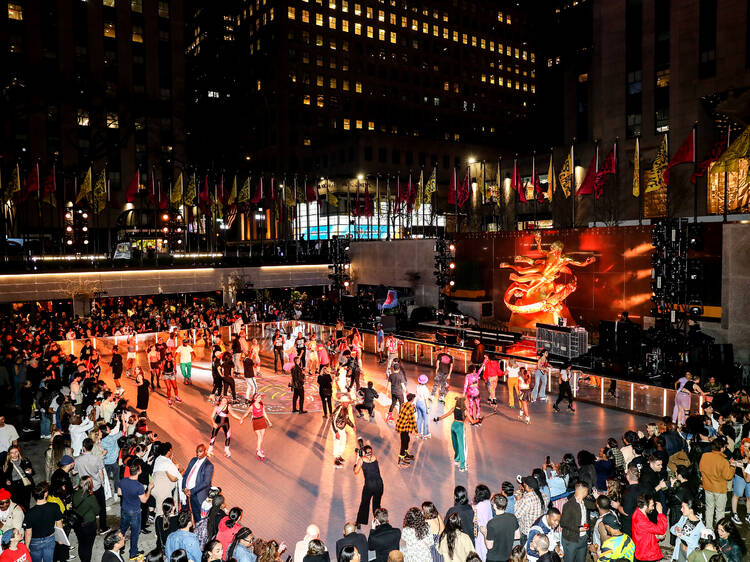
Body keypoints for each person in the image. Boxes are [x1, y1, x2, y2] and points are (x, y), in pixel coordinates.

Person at [118, 458, 154, 560]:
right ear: (139, 471)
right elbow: (144, 500)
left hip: (124, 509)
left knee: (123, 529)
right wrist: (149, 489)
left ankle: (118, 548)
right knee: (134, 533)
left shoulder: (123, 481)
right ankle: (133, 553)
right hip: (135, 512)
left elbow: (120, 493)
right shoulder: (139, 486)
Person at [74, 438, 108, 535]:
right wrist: (102, 482)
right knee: (102, 508)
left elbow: (74, 471)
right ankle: (102, 527)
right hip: (96, 486)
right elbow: (100, 472)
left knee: (85, 506)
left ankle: (86, 526)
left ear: (83, 448)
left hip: (84, 487)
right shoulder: (97, 459)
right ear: (92, 447)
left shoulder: (78, 460)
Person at [434, 397, 476, 472]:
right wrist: (478, 420)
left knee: (455, 444)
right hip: (460, 427)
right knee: (462, 446)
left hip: (453, 426)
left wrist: (438, 418)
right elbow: (472, 421)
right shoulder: (465, 411)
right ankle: (462, 466)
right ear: (463, 403)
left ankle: (456, 460)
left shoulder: (454, 408)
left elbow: (446, 415)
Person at [698, 438, 733, 529]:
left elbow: (701, 469)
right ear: (721, 448)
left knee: (709, 509)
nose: (725, 449)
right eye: (725, 447)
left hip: (707, 487)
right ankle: (719, 530)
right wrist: (732, 466)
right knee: (720, 511)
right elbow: (728, 476)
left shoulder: (704, 456)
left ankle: (709, 528)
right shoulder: (723, 461)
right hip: (719, 489)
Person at [23, 482, 62, 562]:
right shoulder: (54, 507)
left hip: (35, 542)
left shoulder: (30, 513)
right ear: (46, 494)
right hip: (50, 539)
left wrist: (26, 546)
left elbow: (28, 532)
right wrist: (60, 539)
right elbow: (59, 525)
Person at [481, 494, 519, 562]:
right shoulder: (513, 517)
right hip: (507, 557)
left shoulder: (491, 523)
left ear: (495, 506)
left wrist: (484, 533)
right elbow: (517, 536)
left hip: (493, 559)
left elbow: (489, 546)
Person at [354, 444, 383, 529]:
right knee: (377, 504)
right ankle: (378, 522)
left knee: (364, 503)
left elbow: (356, 471)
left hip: (369, 486)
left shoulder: (361, 460)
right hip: (379, 484)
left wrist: (357, 460)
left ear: (364, 452)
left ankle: (359, 522)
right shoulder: (375, 457)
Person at [631, 494, 667, 562]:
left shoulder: (639, 512)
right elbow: (661, 530)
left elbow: (646, 532)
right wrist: (660, 513)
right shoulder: (641, 520)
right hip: (646, 555)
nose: (653, 508)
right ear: (645, 506)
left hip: (643, 549)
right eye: (652, 505)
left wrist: (656, 537)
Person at [183, 443, 214, 523]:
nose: (198, 454)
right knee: (195, 515)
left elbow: (206, 482)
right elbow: (186, 474)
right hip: (190, 494)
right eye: (197, 452)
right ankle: (197, 531)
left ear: (205, 451)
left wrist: (191, 491)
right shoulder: (193, 460)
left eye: (200, 451)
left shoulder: (209, 465)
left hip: (200, 496)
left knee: (202, 518)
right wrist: (184, 487)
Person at [559, 481, 589, 562]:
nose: (587, 493)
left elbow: (595, 506)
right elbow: (563, 523)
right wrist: (578, 529)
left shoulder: (584, 502)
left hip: (583, 538)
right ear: (583, 491)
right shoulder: (568, 505)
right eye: (587, 491)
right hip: (571, 540)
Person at [72, 476, 100, 562]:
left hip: (77, 523)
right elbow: (97, 511)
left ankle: (82, 559)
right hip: (88, 524)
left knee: (81, 543)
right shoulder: (91, 497)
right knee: (88, 546)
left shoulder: (75, 493)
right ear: (89, 485)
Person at [240, 393, 273, 460]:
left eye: (260, 398)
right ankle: (258, 450)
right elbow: (247, 413)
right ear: (255, 398)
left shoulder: (261, 405)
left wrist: (269, 421)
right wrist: (242, 418)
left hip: (262, 420)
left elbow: (264, 413)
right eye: (259, 398)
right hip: (256, 421)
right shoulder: (252, 406)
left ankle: (259, 449)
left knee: (262, 436)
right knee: (259, 436)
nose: (260, 399)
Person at [331, 394, 357, 468]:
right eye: (345, 402)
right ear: (342, 403)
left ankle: (339, 456)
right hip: (336, 428)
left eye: (347, 402)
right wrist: (336, 432)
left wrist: (352, 426)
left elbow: (347, 419)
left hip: (342, 428)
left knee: (343, 442)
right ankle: (336, 461)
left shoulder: (346, 408)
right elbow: (333, 420)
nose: (347, 403)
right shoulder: (339, 409)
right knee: (337, 443)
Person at [395, 394, 417, 466]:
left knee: (407, 439)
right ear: (412, 399)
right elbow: (412, 420)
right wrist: (416, 431)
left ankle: (405, 454)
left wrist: (412, 408)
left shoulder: (404, 404)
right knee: (404, 443)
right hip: (404, 427)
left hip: (403, 426)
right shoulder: (410, 408)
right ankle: (400, 460)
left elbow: (407, 413)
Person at [385, 359, 407, 424]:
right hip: (399, 393)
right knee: (401, 404)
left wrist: (387, 392)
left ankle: (389, 416)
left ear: (393, 369)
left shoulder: (391, 375)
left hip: (393, 392)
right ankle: (401, 417)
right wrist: (406, 391)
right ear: (399, 369)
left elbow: (388, 384)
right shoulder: (400, 376)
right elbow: (403, 386)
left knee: (393, 403)